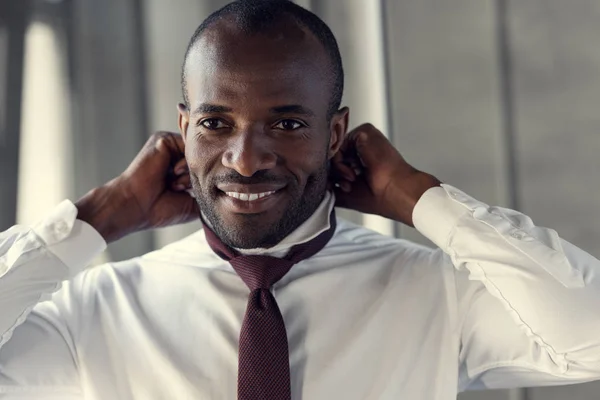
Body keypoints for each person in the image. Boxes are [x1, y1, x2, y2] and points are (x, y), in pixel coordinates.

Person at [1, 0, 599, 399]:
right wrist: (95, 220)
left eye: (286, 125)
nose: (245, 158)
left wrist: (423, 200)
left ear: (334, 133)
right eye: (215, 124)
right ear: (182, 128)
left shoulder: (434, 293)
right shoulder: (96, 310)